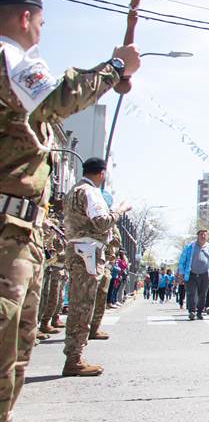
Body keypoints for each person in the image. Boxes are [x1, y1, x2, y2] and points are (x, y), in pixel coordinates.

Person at [0, 0, 141, 422]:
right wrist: (115, 68)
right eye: (40, 19)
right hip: (6, 234)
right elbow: (61, 96)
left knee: (13, 352)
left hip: (21, 232)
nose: (41, 28)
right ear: (23, 17)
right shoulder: (8, 56)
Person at [62, 157, 129, 377]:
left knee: (78, 303)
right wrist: (119, 210)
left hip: (76, 250)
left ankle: (74, 355)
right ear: (101, 174)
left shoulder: (73, 191)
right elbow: (101, 221)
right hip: (88, 252)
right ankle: (74, 358)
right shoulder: (90, 192)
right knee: (83, 306)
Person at [176, 230, 209, 321]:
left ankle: (199, 312)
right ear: (197, 236)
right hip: (191, 273)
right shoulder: (190, 246)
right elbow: (182, 260)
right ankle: (192, 311)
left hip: (205, 274)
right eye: (201, 234)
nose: (203, 236)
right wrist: (181, 273)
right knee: (191, 293)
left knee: (202, 294)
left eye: (205, 234)